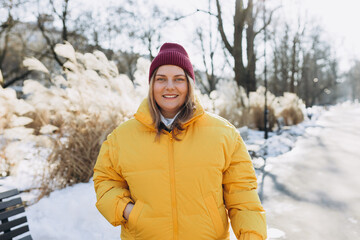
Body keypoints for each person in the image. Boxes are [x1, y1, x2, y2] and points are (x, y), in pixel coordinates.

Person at [93, 43, 266, 240]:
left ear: (189, 85)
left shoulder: (224, 134)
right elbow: (105, 180)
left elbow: (243, 197)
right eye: (161, 79)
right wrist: (127, 210)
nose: (169, 86)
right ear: (151, 85)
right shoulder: (121, 137)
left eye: (178, 79)